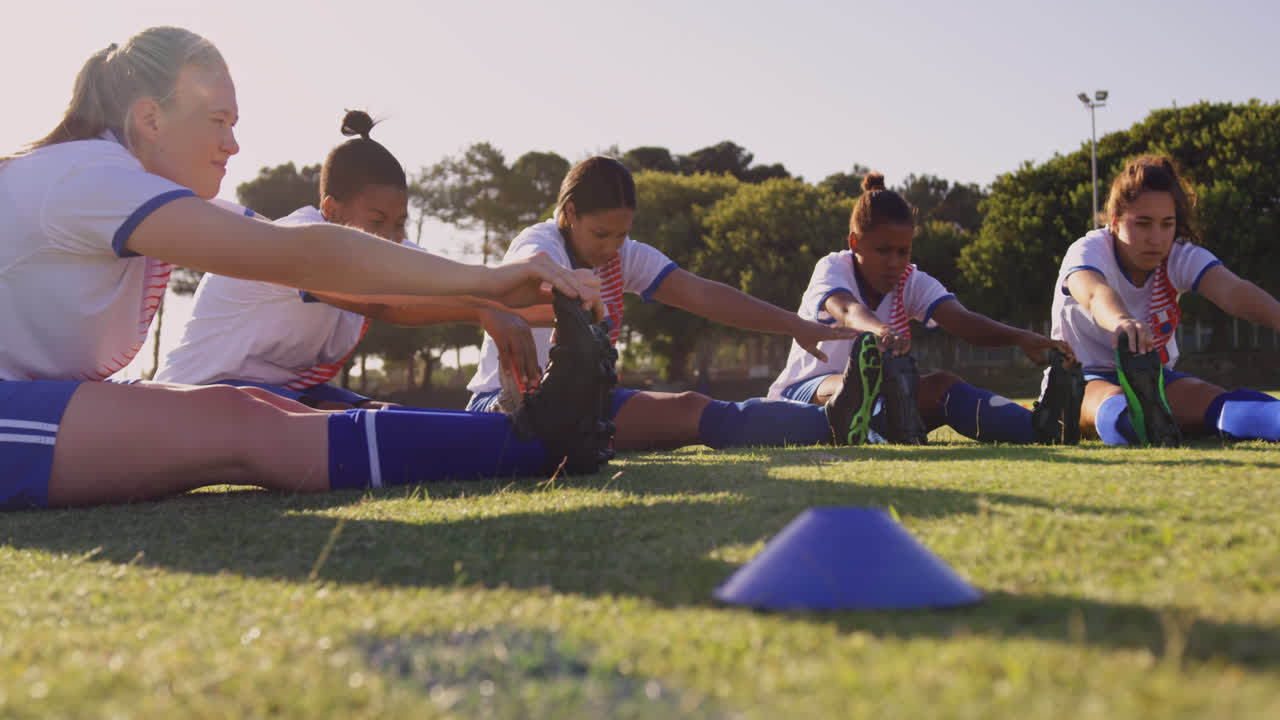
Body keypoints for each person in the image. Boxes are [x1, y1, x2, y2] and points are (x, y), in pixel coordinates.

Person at [0, 27, 615, 512]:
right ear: (150, 118)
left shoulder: (122, 185)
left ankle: (536, 440)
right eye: (217, 121)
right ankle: (538, 443)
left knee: (254, 408)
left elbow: (324, 263)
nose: (233, 145)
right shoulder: (91, 177)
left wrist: (524, 299)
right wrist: (487, 283)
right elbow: (305, 255)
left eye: (234, 125)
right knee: (237, 422)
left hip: (33, 398)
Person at [466, 155, 881, 451]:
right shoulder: (541, 244)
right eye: (601, 234)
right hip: (507, 407)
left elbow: (702, 294)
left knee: (695, 407)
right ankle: (835, 422)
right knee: (689, 414)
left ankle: (838, 422)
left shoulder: (623, 255)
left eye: (621, 235)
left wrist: (795, 324)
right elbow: (516, 282)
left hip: (580, 404)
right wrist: (560, 298)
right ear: (569, 212)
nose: (612, 248)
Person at [157, 110, 543, 409]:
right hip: (193, 398)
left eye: (399, 224)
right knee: (362, 431)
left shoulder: (387, 253)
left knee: (391, 419)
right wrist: (481, 310)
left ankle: (503, 423)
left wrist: (571, 305)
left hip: (284, 398)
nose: (391, 238)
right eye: (377, 221)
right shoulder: (297, 243)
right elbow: (383, 301)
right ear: (332, 211)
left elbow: (476, 284)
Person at [768, 173, 1080, 445]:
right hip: (804, 394)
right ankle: (871, 422)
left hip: (882, 395)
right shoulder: (833, 267)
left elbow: (964, 322)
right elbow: (848, 310)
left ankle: (1042, 428)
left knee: (944, 386)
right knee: (867, 381)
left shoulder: (911, 280)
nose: (895, 262)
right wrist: (880, 330)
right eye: (883, 250)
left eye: (903, 251)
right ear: (855, 243)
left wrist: (1022, 337)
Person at [1051, 154, 1280, 446]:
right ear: (1115, 222)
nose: (1156, 238)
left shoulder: (1178, 255)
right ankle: (1133, 424)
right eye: (1143, 224)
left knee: (1218, 404)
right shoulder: (1089, 249)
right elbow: (1094, 293)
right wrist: (1122, 322)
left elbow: (1234, 291)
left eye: (1166, 224)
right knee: (1114, 403)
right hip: (1082, 376)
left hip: (1155, 380)